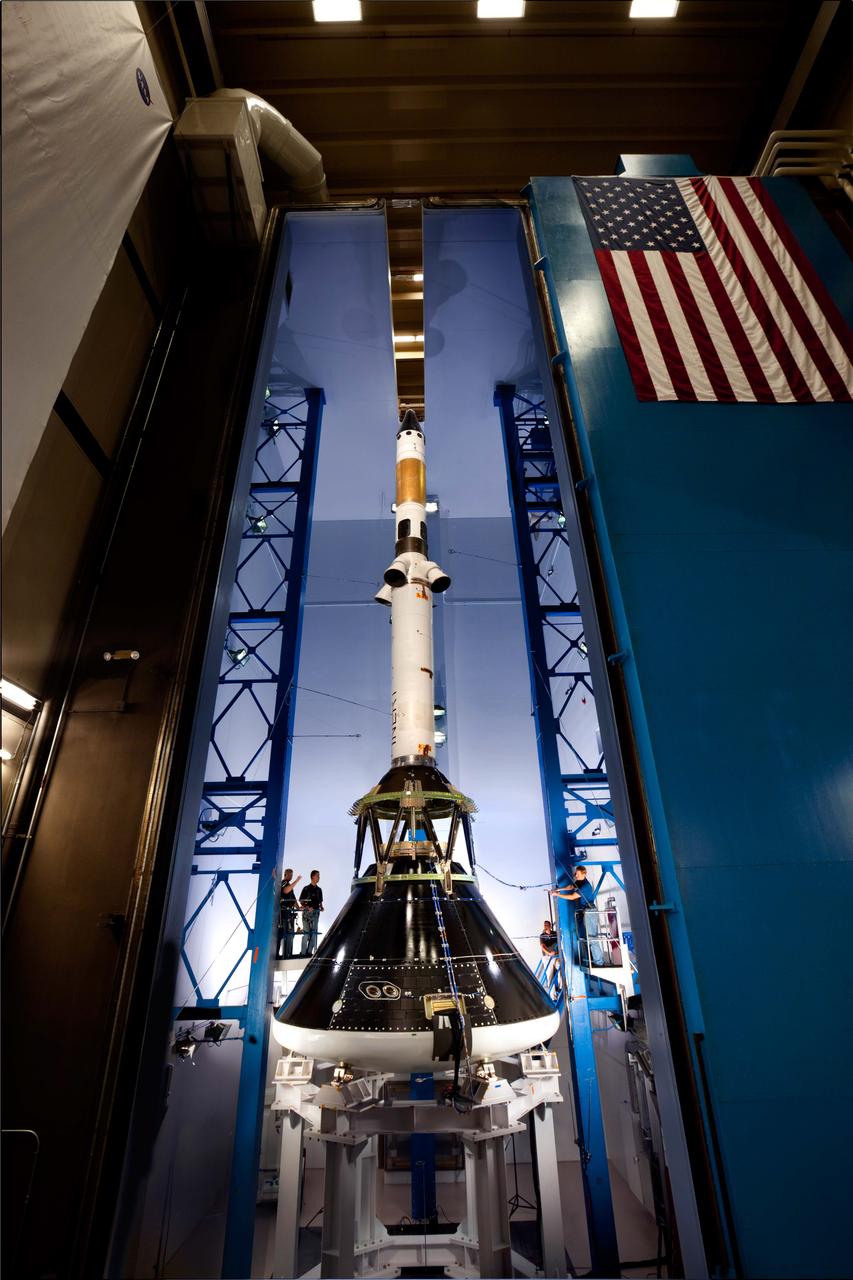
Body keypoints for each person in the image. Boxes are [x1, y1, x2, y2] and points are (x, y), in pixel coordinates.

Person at [549, 864, 605, 965]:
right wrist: (558, 889)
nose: (576, 875)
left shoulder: (585, 886)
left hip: (590, 911)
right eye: (575, 873)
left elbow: (572, 897)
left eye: (578, 874)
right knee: (585, 937)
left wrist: (557, 895)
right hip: (585, 911)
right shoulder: (580, 882)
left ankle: (599, 962)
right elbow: (570, 887)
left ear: (584, 874)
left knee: (592, 937)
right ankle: (592, 959)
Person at [278, 869, 301, 959]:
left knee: (291, 934)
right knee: (285, 934)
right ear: (285, 874)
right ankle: (284, 955)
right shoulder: (284, 883)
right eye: (290, 875)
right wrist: (297, 880)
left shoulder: (290, 886)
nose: (291, 876)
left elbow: (293, 899)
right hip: (284, 913)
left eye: (292, 875)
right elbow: (286, 891)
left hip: (290, 913)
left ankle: (288, 954)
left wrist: (299, 907)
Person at [299, 870, 323, 956]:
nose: (319, 878)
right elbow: (301, 901)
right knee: (306, 934)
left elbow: (320, 902)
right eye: (317, 876)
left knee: (314, 934)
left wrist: (321, 907)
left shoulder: (319, 890)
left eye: (319, 876)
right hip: (306, 914)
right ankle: (303, 953)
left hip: (316, 914)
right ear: (312, 877)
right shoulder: (306, 889)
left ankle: (309, 953)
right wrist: (307, 907)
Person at [539, 919, 560, 992]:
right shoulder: (542, 936)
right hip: (547, 958)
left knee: (561, 968)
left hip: (556, 957)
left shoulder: (555, 934)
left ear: (550, 926)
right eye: (544, 925)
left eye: (547, 925)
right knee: (550, 975)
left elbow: (560, 941)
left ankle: (561, 988)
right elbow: (543, 946)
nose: (545, 926)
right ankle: (553, 995)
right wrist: (549, 953)